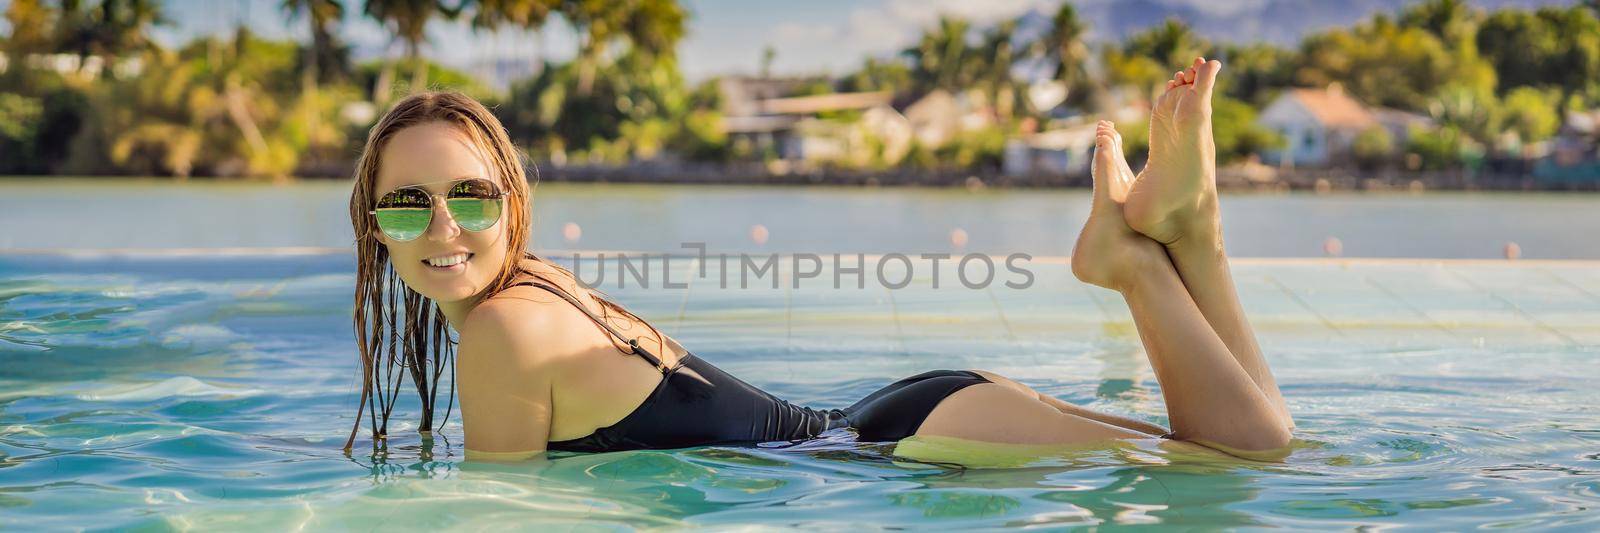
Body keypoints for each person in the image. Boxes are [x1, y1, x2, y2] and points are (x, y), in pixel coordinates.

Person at [342, 56, 1294, 463]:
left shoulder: (503, 328)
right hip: (910, 423)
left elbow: (502, 516)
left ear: (513, 202)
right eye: (408, 204)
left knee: (1245, 460)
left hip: (901, 448)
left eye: (470, 196)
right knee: (1258, 450)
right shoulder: (537, 297)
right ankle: (1195, 235)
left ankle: (1133, 262)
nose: (443, 229)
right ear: (373, 223)